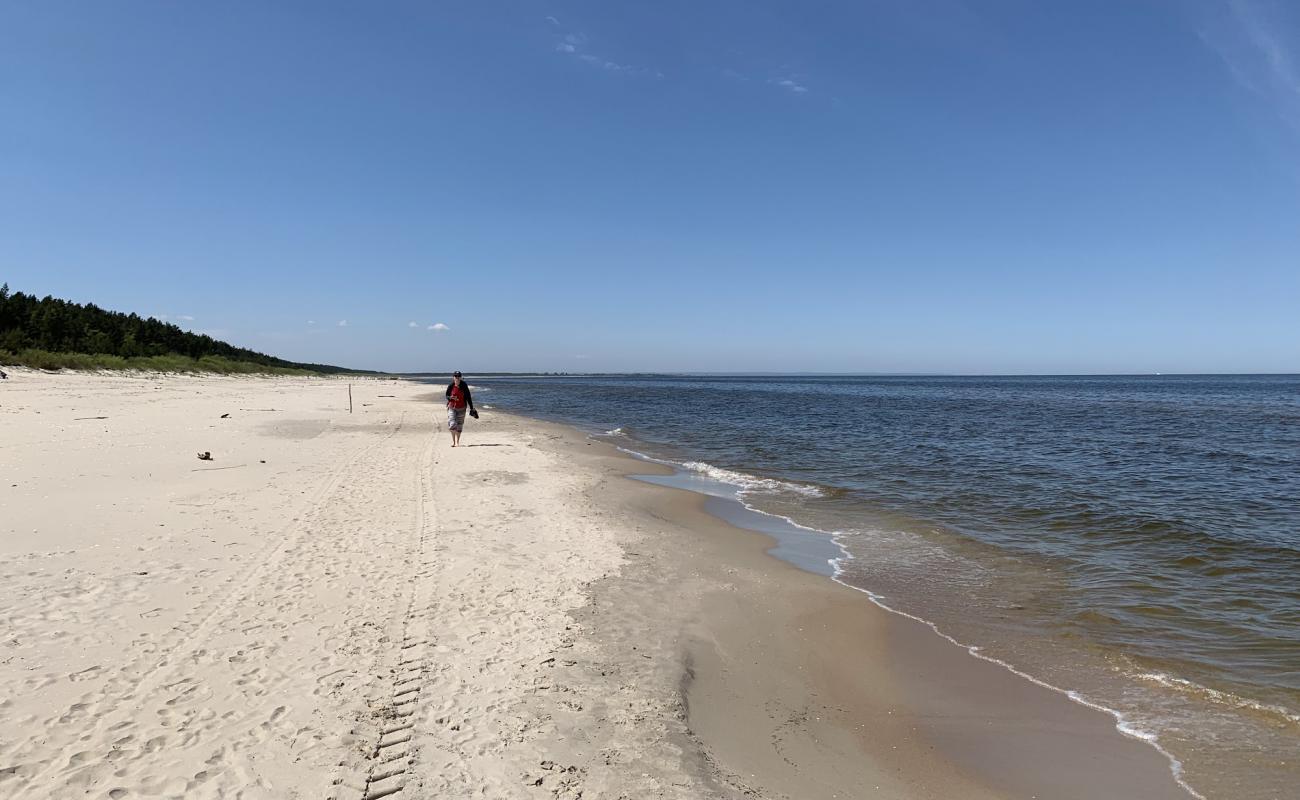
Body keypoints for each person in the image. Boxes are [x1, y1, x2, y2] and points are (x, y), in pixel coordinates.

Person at [444, 371, 477, 446]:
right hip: (452, 407)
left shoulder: (464, 385)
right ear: (453, 377)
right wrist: (450, 398)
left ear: (461, 377)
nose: (457, 378)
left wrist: (471, 408)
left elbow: (468, 397)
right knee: (452, 424)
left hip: (462, 408)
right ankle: (453, 442)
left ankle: (458, 442)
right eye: (455, 376)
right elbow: (446, 395)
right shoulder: (451, 385)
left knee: (459, 425)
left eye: (458, 376)